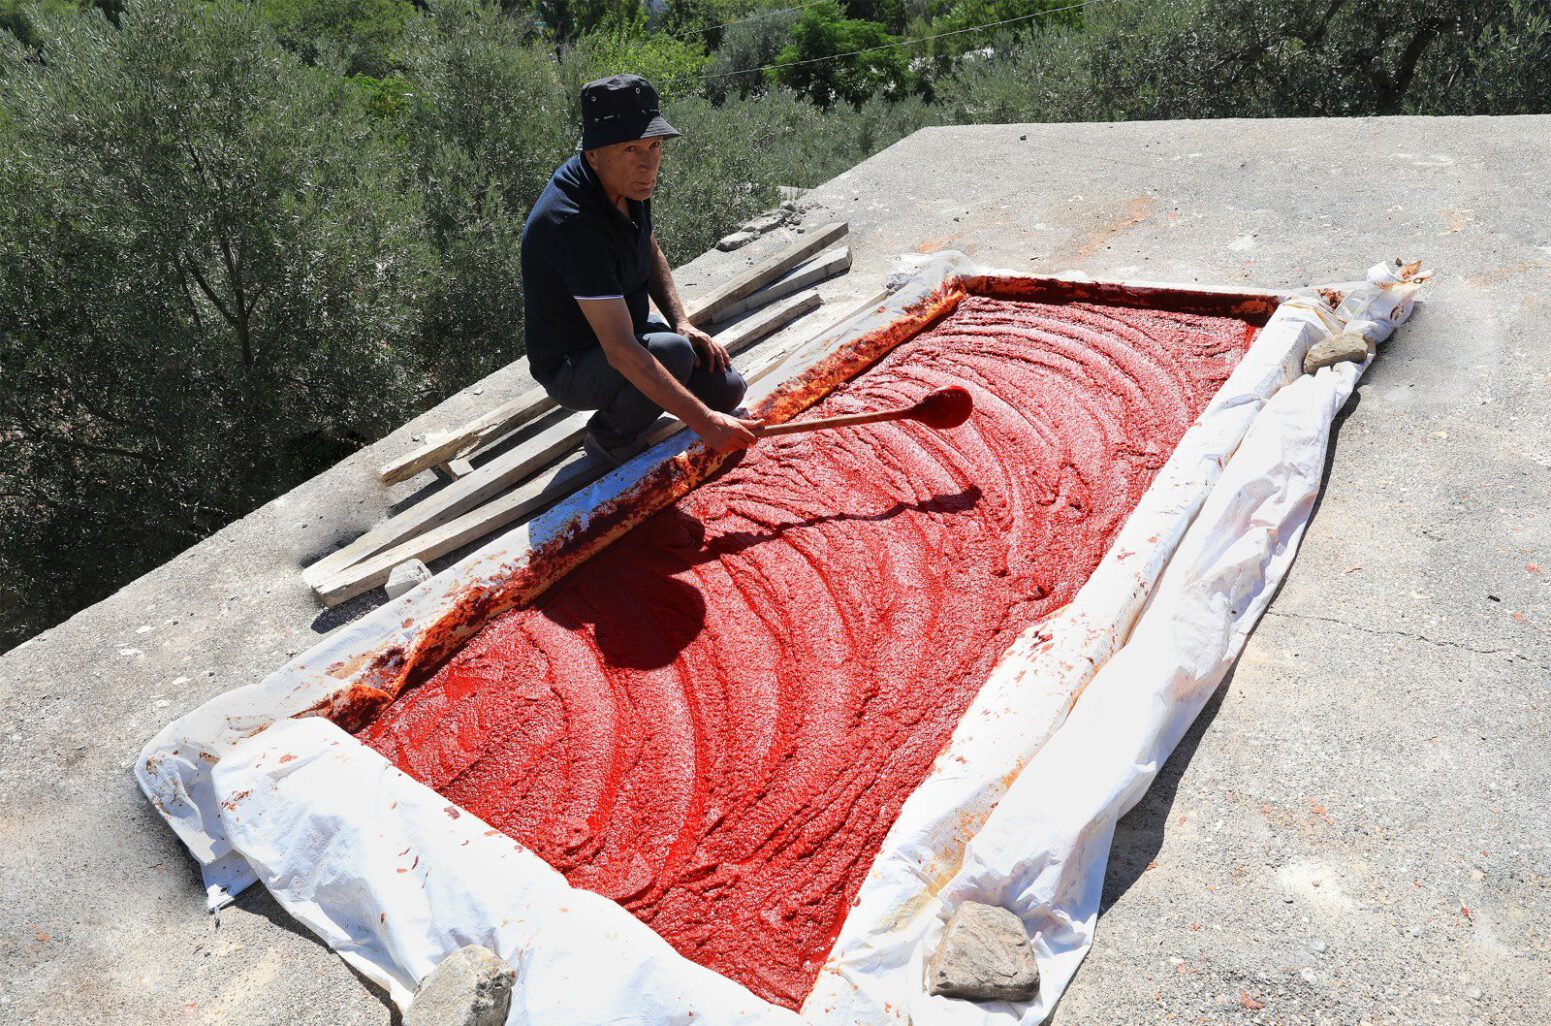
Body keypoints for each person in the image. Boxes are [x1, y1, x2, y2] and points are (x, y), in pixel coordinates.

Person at [520, 74, 761, 467]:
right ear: (594, 154)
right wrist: (705, 424)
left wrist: (681, 320)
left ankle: (657, 385)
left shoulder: (628, 184)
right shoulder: (571, 223)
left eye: (654, 145)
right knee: (672, 355)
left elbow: (646, 246)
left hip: (628, 330)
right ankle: (608, 437)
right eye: (632, 148)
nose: (649, 163)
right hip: (574, 365)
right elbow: (619, 351)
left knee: (727, 389)